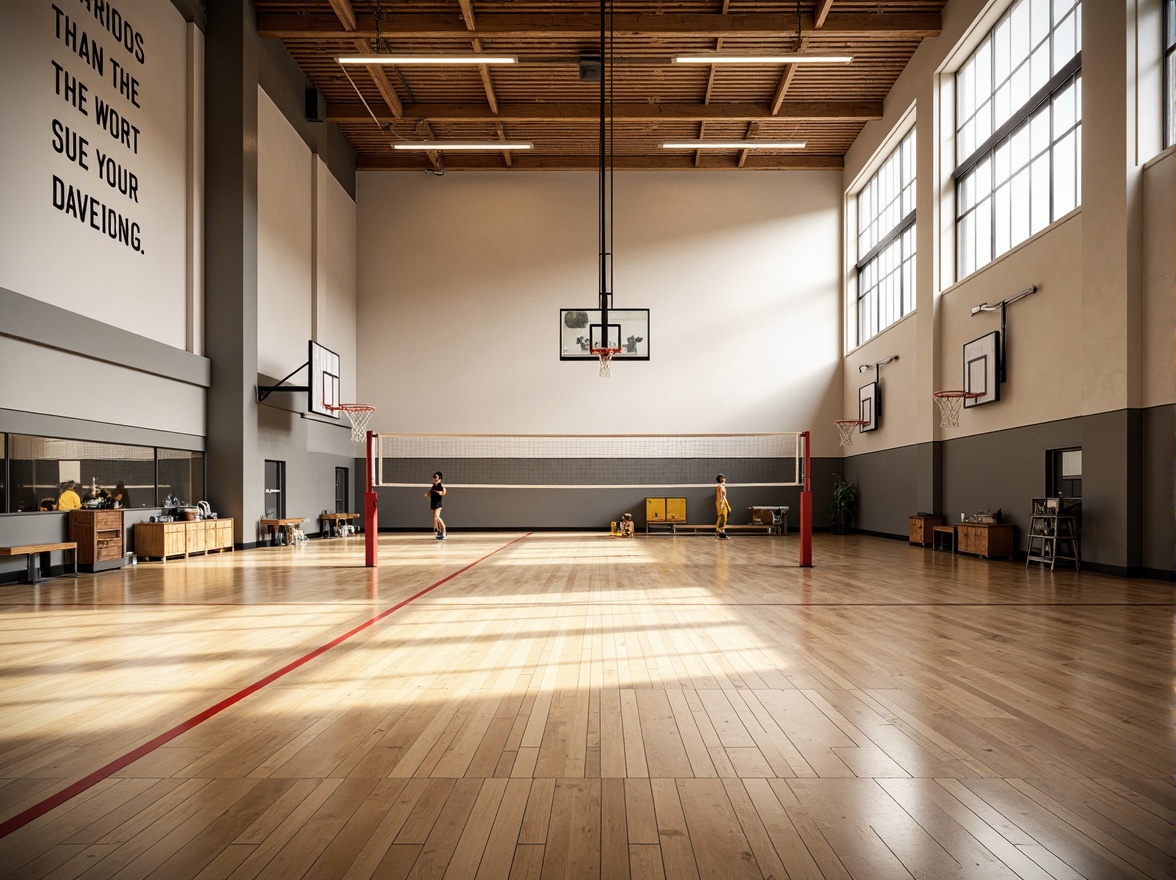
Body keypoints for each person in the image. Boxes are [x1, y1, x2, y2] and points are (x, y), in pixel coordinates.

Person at [425, 472, 447, 539]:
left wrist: (440, 492)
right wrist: (428, 494)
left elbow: (444, 492)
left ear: (439, 478)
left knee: (437, 517)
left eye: (436, 477)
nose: (435, 478)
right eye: (434, 477)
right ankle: (439, 531)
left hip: (438, 503)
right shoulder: (433, 486)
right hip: (433, 503)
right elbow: (429, 493)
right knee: (435, 518)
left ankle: (444, 529)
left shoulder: (440, 485)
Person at [715, 474, 731, 539]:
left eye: (724, 477)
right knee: (722, 517)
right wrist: (721, 505)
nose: (723, 478)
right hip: (721, 504)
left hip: (723, 503)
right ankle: (719, 532)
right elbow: (721, 497)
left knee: (724, 518)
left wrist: (727, 505)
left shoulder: (721, 486)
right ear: (720, 479)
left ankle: (722, 532)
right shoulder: (720, 487)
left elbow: (724, 497)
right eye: (722, 478)